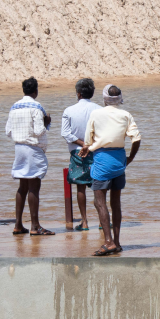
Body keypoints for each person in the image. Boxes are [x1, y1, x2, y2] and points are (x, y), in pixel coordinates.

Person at [79, 84, 141, 256]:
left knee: (100, 202)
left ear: (105, 98)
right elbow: (136, 139)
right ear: (120, 98)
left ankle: (108, 242)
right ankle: (117, 242)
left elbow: (88, 140)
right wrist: (130, 158)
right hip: (120, 160)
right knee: (116, 203)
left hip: (102, 160)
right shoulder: (125, 114)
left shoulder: (96, 114)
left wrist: (86, 148)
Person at [6, 77, 55, 236]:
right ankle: (35, 226)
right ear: (36, 91)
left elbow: (8, 131)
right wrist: (47, 121)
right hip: (32, 148)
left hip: (19, 148)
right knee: (34, 186)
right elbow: (39, 130)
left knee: (23, 186)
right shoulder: (37, 107)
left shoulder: (14, 106)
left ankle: (18, 224)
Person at [61, 78, 102, 231]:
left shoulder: (68, 110)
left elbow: (65, 133)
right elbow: (102, 132)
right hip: (96, 151)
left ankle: (84, 222)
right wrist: (89, 145)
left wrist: (81, 144)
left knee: (80, 188)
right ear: (92, 93)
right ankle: (101, 221)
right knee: (99, 187)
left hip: (77, 152)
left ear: (78, 94)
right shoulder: (99, 109)